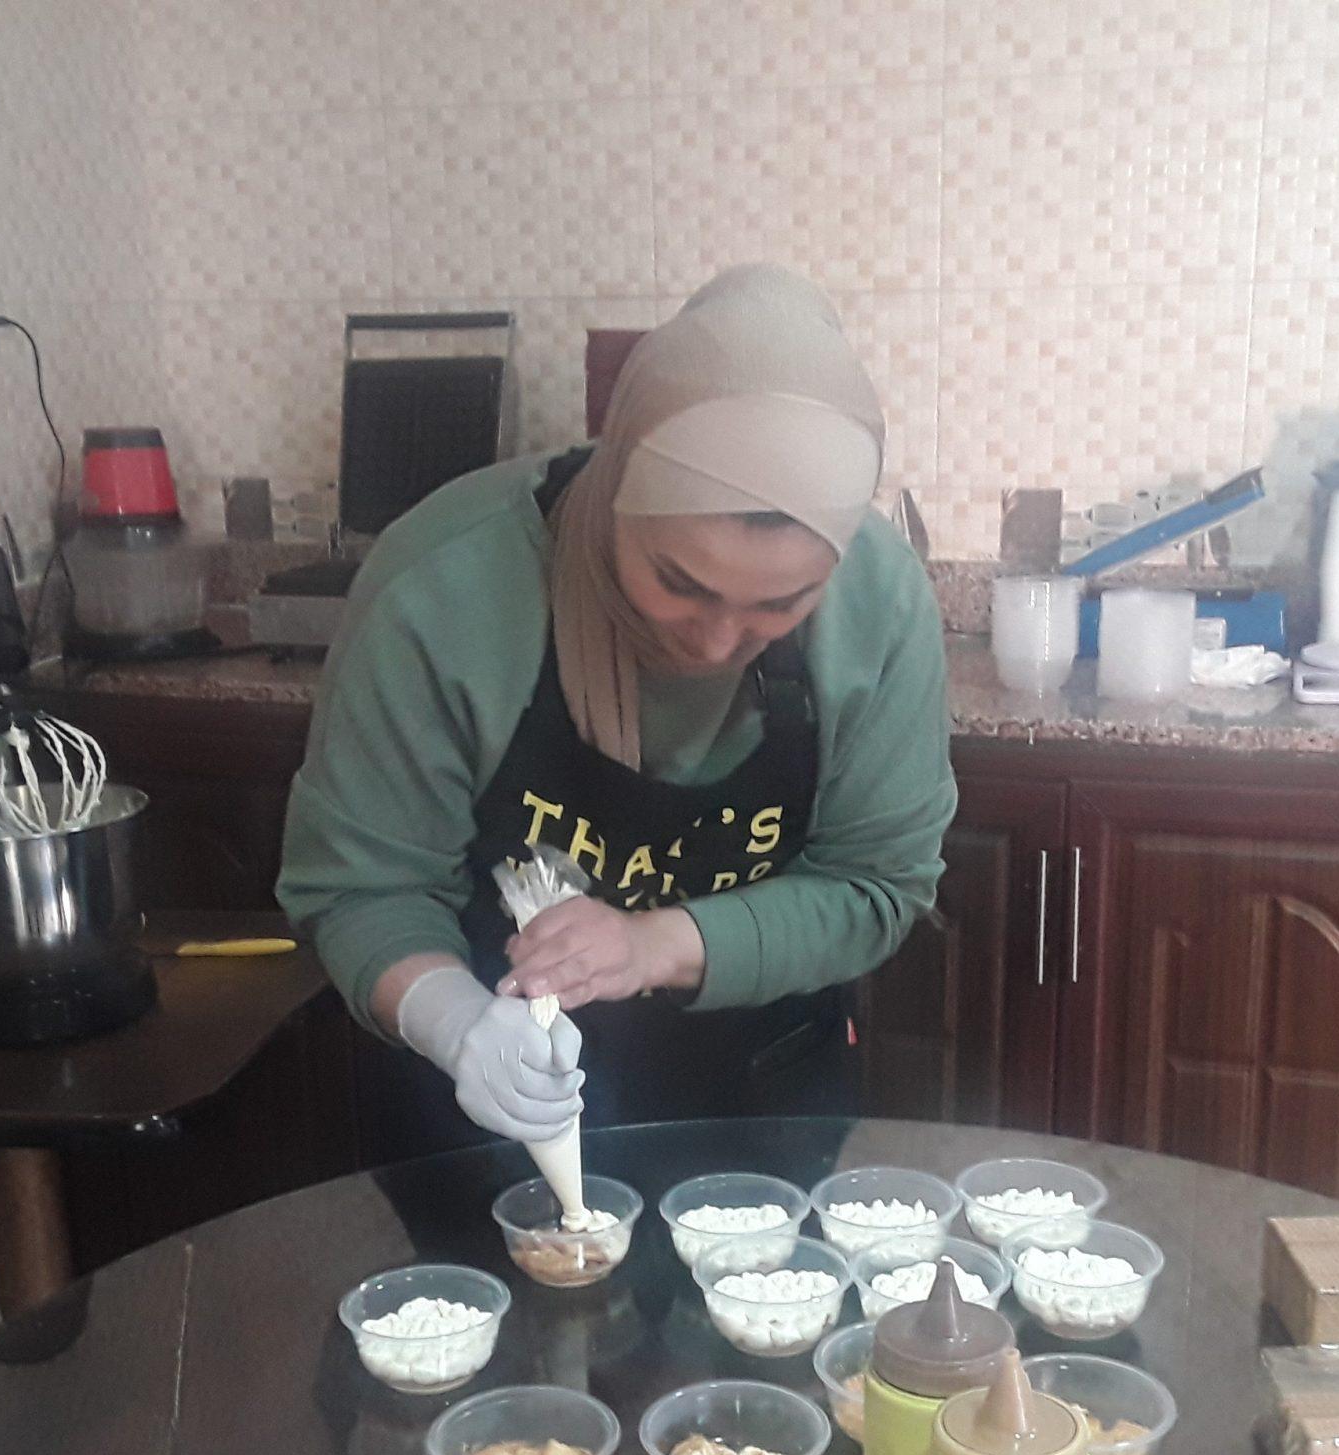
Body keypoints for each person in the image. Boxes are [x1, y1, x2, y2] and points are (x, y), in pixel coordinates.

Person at [277, 266, 954, 1159]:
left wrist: (651, 946)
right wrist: (454, 1022)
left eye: (780, 605)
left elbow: (876, 885)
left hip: (765, 1093)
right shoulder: (445, 589)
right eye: (680, 582)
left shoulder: (879, 603)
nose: (717, 641)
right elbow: (365, 888)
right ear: (614, 491)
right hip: (477, 1113)